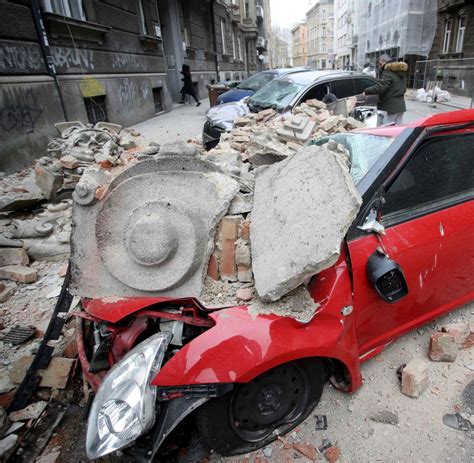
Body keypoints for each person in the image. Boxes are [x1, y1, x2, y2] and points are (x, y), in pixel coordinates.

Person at [363, 54, 408, 124]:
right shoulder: (402, 73)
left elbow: (381, 87)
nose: (379, 66)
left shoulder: (387, 73)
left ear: (385, 62)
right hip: (401, 107)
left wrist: (366, 91)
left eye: (380, 64)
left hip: (389, 108)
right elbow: (403, 89)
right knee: (397, 130)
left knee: (386, 130)